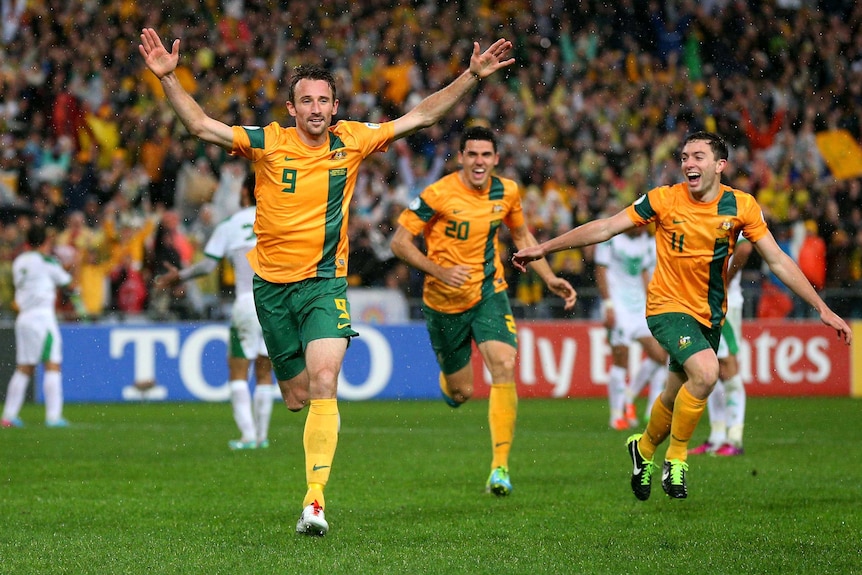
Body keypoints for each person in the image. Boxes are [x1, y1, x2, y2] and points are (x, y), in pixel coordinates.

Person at [138, 27, 514, 536]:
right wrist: (168, 79)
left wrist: (471, 76)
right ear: (291, 109)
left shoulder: (353, 140)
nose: (315, 108)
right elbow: (202, 125)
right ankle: (310, 470)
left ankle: (314, 502)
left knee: (323, 382)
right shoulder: (269, 143)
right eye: (305, 101)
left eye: (323, 100)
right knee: (295, 396)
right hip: (271, 290)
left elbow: (422, 114)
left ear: (335, 106)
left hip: (324, 285)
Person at [512, 131, 852, 501]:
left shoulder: (742, 206)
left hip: (709, 315)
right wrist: (543, 248)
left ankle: (642, 451)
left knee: (675, 395)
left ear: (720, 166)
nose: (688, 163)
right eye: (685, 156)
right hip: (666, 308)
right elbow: (606, 227)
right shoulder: (664, 199)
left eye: (698, 157)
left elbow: (777, 260)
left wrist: (821, 307)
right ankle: (676, 458)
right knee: (707, 373)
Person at [390, 126, 577, 496]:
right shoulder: (437, 194)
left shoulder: (506, 192)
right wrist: (439, 270)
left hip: (490, 291)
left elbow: (521, 237)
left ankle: (500, 467)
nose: (479, 162)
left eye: (485, 155)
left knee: (505, 364)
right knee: (461, 392)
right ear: (461, 157)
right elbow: (399, 242)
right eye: (472, 154)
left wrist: (550, 276)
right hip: (443, 302)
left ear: (495, 159)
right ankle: (450, 384)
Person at [155, 172, 275, 451]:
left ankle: (247, 436)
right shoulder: (279, 219)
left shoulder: (231, 225)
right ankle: (262, 436)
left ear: (244, 194)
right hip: (275, 303)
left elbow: (208, 266)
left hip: (246, 301)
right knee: (265, 368)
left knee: (238, 369)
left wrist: (180, 276)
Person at [1, 225, 81, 428]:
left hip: (24, 317)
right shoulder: (48, 262)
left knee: (24, 368)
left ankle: (8, 416)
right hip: (42, 318)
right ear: (45, 242)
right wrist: (76, 265)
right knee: (52, 364)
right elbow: (70, 285)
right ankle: (54, 417)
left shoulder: (19, 261)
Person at [594, 224, 668, 431]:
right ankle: (616, 415)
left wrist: (652, 303)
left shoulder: (645, 240)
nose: (643, 228)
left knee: (662, 356)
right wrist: (608, 304)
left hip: (639, 309)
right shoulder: (610, 239)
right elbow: (600, 270)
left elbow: (644, 273)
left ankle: (628, 398)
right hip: (618, 307)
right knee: (621, 361)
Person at [689, 236, 753, 456]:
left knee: (727, 365)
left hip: (724, 303)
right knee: (709, 366)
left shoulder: (738, 204)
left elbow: (744, 249)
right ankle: (717, 436)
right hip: (700, 302)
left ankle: (734, 439)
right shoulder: (704, 204)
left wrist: (723, 283)